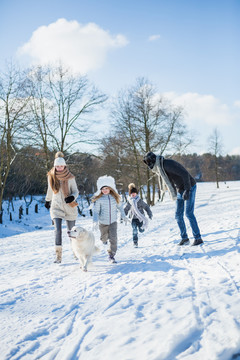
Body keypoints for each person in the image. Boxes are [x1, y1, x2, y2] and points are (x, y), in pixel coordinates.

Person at [143, 151, 203, 246]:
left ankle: (198, 238)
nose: (149, 166)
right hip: (180, 189)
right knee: (178, 215)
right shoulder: (161, 167)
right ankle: (185, 238)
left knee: (188, 213)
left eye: (149, 163)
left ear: (153, 161)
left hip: (189, 186)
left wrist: (187, 190)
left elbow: (185, 174)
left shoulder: (167, 165)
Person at [45, 152, 79, 263]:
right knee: (57, 230)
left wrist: (72, 197)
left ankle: (76, 252)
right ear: (55, 166)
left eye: (61, 166)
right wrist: (47, 200)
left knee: (71, 232)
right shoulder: (51, 176)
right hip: (56, 207)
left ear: (64, 166)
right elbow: (50, 190)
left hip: (69, 206)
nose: (59, 168)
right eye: (57, 166)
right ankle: (58, 256)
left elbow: (76, 191)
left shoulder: (70, 177)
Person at [92, 175, 127, 263]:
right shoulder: (99, 199)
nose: (105, 190)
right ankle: (104, 240)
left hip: (113, 222)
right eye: (103, 189)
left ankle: (111, 255)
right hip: (103, 223)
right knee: (104, 238)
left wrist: (124, 216)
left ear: (110, 188)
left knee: (113, 238)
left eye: (106, 188)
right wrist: (95, 221)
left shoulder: (115, 198)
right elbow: (96, 211)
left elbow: (120, 207)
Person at [124, 183, 153, 248]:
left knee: (141, 230)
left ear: (136, 193)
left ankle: (142, 229)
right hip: (133, 219)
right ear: (130, 194)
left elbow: (146, 207)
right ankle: (135, 242)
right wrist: (123, 216)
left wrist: (149, 214)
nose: (133, 194)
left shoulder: (139, 201)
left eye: (134, 193)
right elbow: (126, 209)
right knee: (134, 230)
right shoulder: (129, 202)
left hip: (140, 218)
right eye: (131, 193)